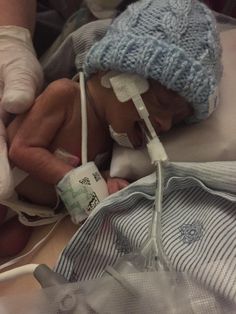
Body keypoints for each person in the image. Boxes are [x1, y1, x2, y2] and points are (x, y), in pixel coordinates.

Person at [0, 0, 135, 258]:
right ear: (127, 79)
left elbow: (87, 168)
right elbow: (21, 148)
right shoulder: (65, 95)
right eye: (162, 105)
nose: (163, 123)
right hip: (8, 189)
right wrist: (73, 178)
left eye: (175, 120)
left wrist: (107, 180)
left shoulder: (113, 135)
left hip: (33, 212)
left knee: (11, 248)